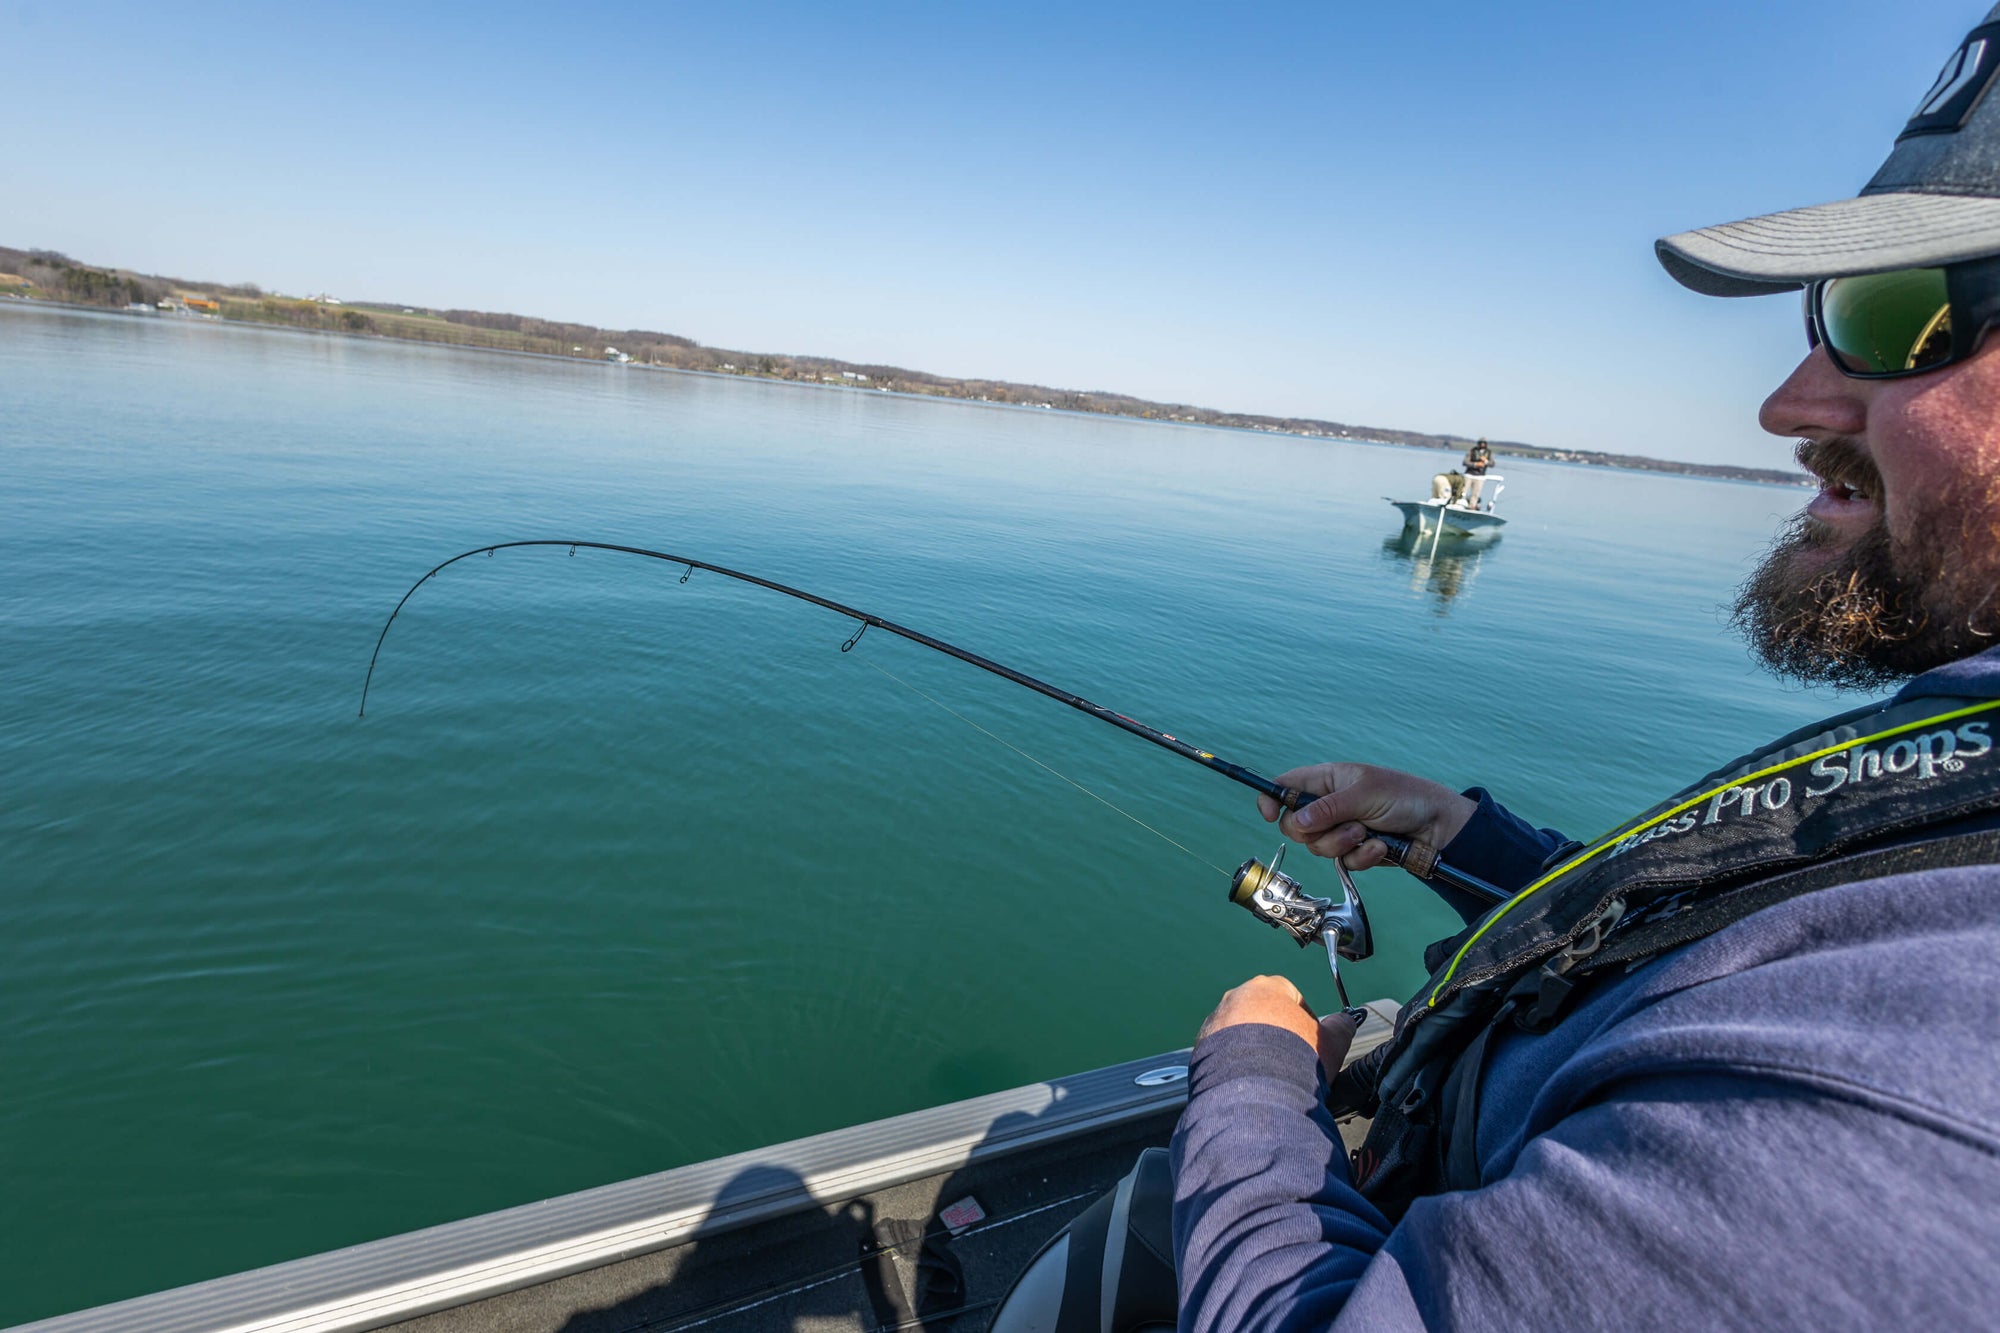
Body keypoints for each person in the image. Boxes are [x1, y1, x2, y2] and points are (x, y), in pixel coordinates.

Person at [1172, 10, 2000, 1329]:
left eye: (1898, 313)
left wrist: (1255, 1077)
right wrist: (1462, 837)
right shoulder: (1972, 738)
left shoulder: (1942, 1099)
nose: (1790, 403)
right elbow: (1754, 934)